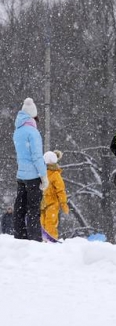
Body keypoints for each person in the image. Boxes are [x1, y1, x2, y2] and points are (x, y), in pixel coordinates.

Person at [13, 98, 48, 241]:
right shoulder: (33, 133)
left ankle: (20, 237)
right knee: (33, 208)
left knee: (20, 207)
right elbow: (37, 157)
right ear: (33, 116)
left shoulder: (18, 132)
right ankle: (34, 240)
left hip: (21, 175)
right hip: (33, 177)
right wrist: (44, 176)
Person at [40, 150, 69, 242]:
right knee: (42, 222)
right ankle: (43, 239)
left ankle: (51, 239)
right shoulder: (42, 173)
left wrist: (63, 203)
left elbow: (60, 190)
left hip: (52, 203)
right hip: (42, 202)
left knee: (50, 223)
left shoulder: (55, 174)